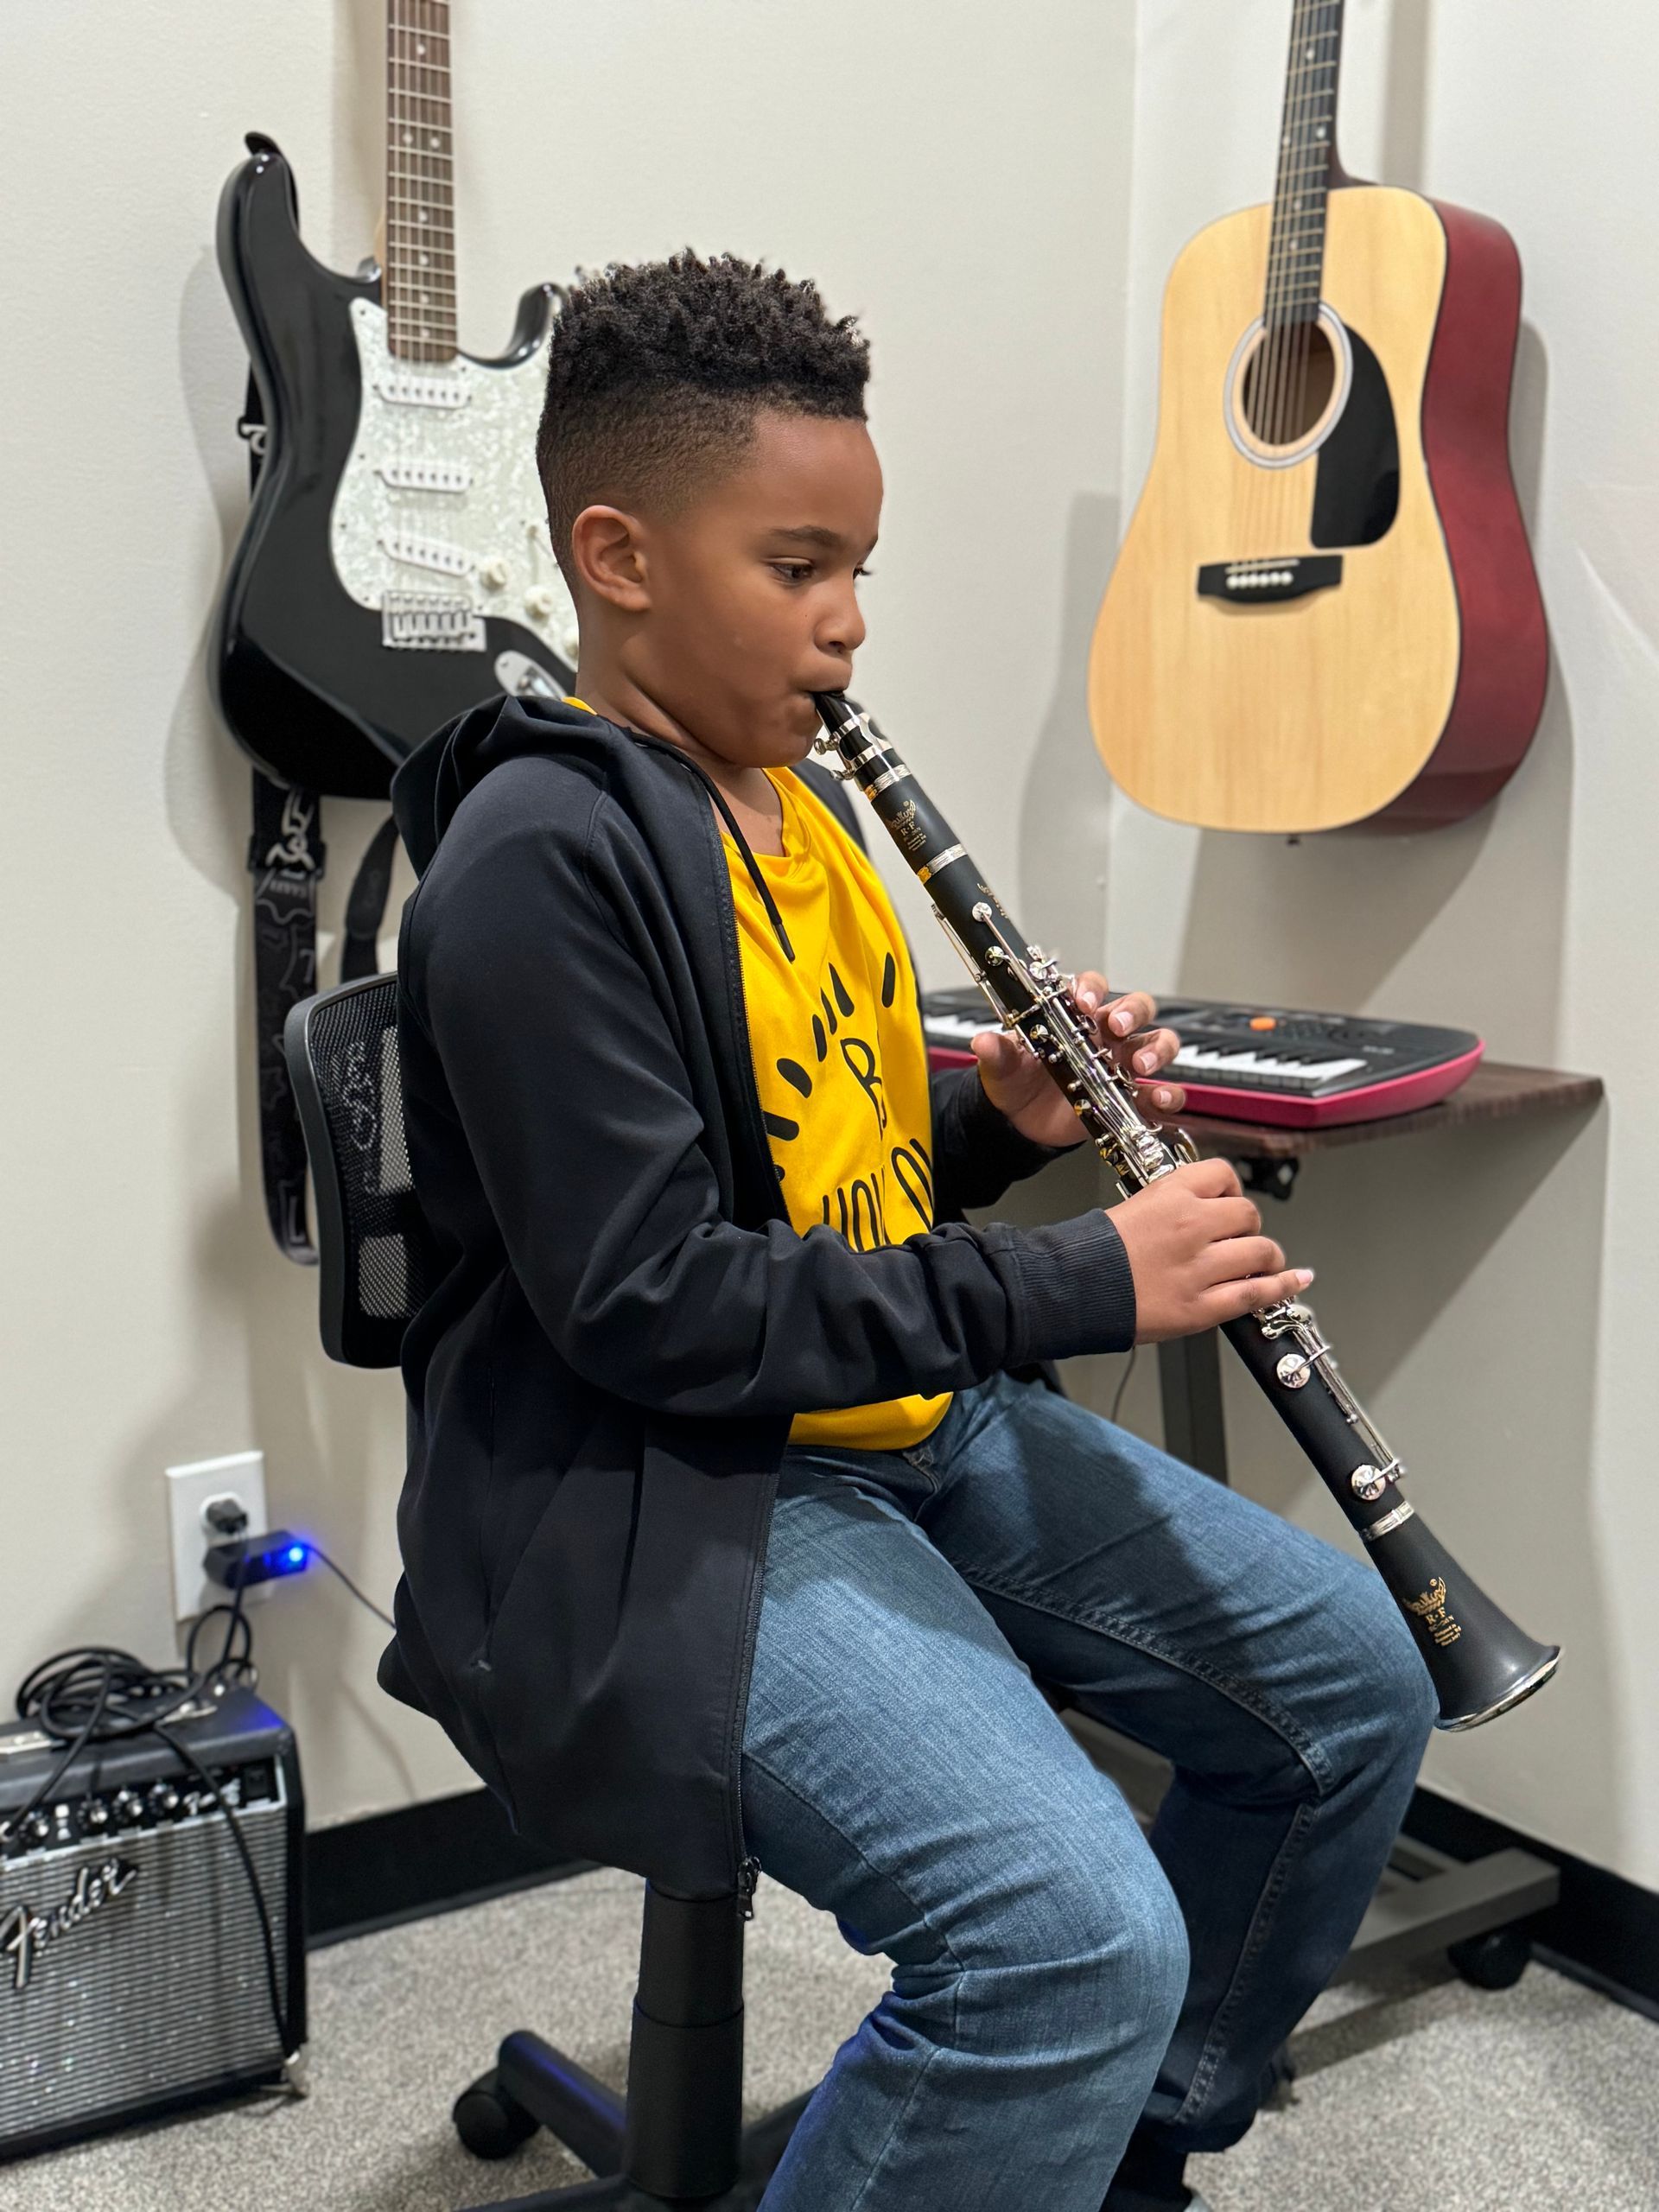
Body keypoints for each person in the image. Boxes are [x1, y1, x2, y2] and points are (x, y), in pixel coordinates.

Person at [385, 252, 1437, 2212]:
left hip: (895, 1416)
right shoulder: (549, 860)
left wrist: (996, 1125)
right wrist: (1081, 1277)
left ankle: (1105, 2151)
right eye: (797, 567)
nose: (849, 627)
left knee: (1351, 1690)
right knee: (1069, 1936)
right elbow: (654, 1302)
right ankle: (1039, 2089)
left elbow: (825, 1184)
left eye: (859, 566)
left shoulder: (803, 808)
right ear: (616, 554)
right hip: (671, 1486)